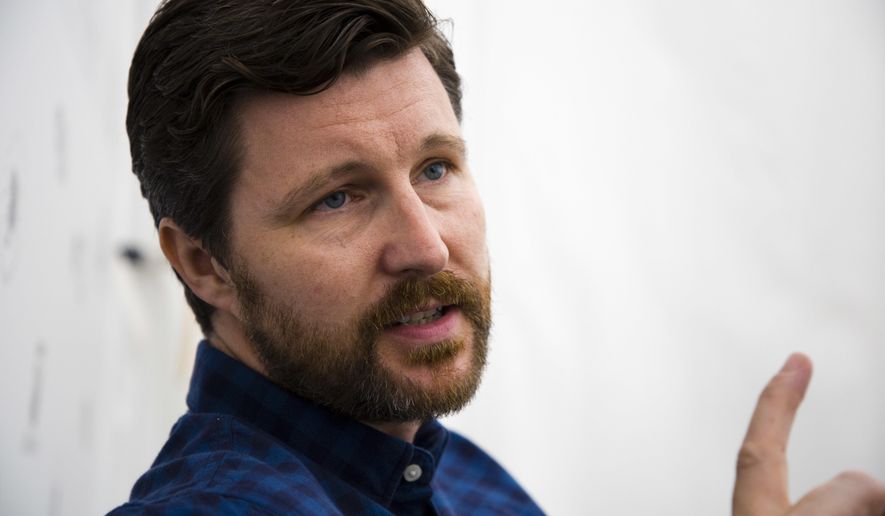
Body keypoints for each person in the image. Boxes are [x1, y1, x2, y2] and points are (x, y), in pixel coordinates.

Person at [110, 0, 885, 514]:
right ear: (203, 263)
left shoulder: (459, 479)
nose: (425, 245)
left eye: (434, 169)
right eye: (336, 198)